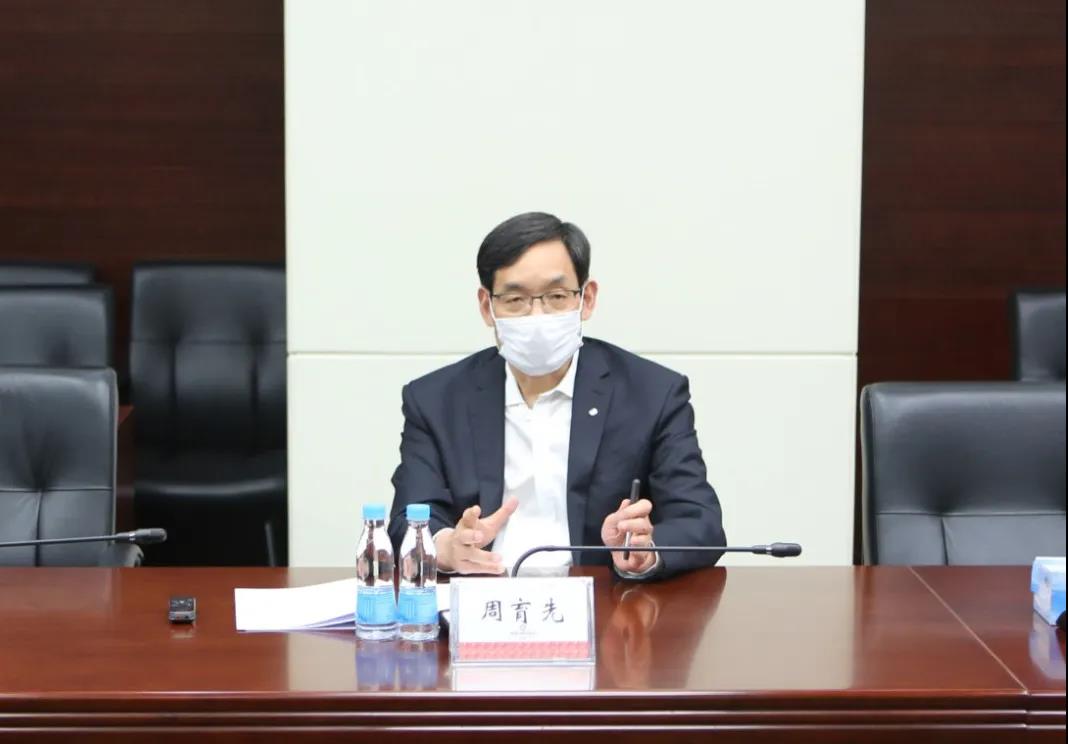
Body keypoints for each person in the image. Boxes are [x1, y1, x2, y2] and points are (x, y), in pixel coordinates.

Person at [388, 212, 725, 579]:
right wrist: (446, 547)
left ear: (587, 299)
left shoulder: (652, 394)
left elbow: (700, 522)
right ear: (487, 307)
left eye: (556, 296)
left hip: (603, 602)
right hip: (479, 600)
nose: (537, 315)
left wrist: (644, 550)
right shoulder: (435, 400)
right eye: (515, 299)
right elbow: (408, 518)